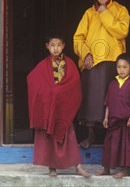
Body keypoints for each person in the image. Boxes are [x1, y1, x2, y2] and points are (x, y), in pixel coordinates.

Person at [73, 0, 130, 149]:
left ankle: (110, 139)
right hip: (93, 63)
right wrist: (85, 54)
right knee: (91, 102)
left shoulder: (121, 10)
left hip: (113, 64)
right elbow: (78, 38)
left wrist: (105, 13)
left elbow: (122, 32)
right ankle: (90, 136)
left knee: (111, 101)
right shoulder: (89, 13)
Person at [26, 35, 91, 178]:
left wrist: (59, 92)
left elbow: (74, 84)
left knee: (70, 138)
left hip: (64, 108)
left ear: (63, 46)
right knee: (49, 138)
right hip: (49, 107)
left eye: (58, 45)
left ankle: (78, 166)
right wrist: (50, 92)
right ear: (47, 46)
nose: (55, 48)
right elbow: (32, 81)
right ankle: (52, 168)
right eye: (52, 45)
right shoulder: (43, 65)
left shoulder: (70, 64)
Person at [97, 55, 130, 178]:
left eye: (125, 67)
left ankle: (124, 170)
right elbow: (108, 103)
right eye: (119, 67)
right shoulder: (112, 84)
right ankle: (106, 169)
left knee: (126, 146)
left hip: (126, 121)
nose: (121, 70)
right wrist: (106, 117)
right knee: (109, 145)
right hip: (113, 120)